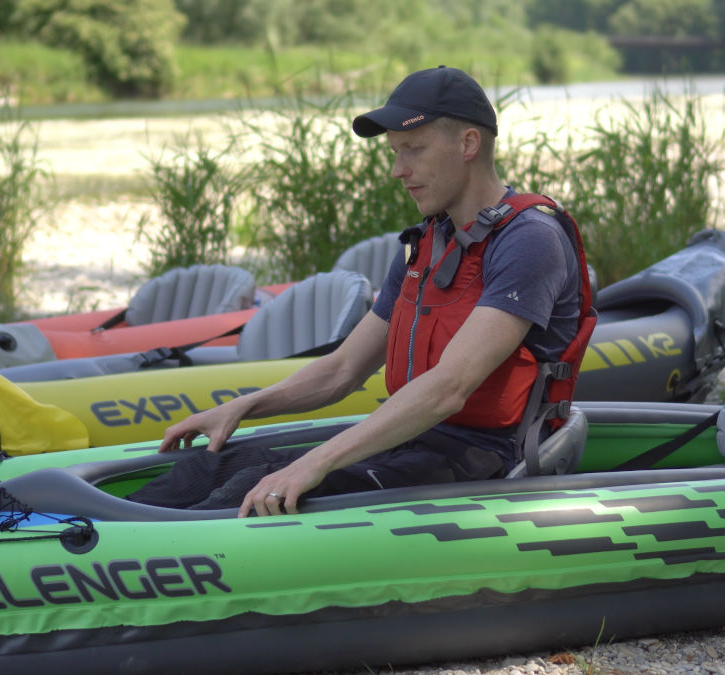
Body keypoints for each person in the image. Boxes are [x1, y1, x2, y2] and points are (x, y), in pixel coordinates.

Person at [129, 65, 595, 517]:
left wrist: (313, 463)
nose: (398, 170)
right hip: (411, 439)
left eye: (412, 149)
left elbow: (450, 388)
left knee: (251, 499)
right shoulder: (427, 244)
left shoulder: (529, 240)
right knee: (207, 471)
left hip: (482, 458)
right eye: (394, 152)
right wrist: (243, 408)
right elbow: (343, 370)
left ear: (468, 143)